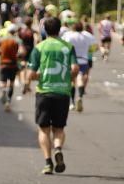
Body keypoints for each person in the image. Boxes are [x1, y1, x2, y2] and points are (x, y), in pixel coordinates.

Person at [28, 17, 79, 175]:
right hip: (63, 93)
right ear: (59, 29)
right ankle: (57, 148)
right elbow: (75, 69)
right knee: (59, 128)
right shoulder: (68, 47)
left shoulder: (39, 47)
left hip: (44, 92)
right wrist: (67, 78)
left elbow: (31, 74)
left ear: (45, 30)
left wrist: (37, 77)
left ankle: (48, 163)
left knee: (44, 129)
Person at [61, 16, 97, 113]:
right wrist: (88, 51)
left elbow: (63, 46)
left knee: (72, 81)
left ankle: (72, 102)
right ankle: (80, 96)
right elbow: (95, 47)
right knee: (80, 78)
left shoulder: (68, 35)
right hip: (84, 60)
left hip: (72, 61)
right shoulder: (87, 35)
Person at [0, 23, 20, 111]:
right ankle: (8, 102)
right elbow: (21, 52)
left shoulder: (2, 40)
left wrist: (0, 53)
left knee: (3, 82)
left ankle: (3, 91)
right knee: (11, 84)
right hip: (13, 64)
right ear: (15, 32)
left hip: (3, 64)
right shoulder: (16, 41)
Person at [18, 17, 35, 94]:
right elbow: (37, 41)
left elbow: (19, 38)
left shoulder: (22, 31)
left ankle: (23, 82)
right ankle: (28, 85)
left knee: (22, 67)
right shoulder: (32, 32)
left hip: (23, 50)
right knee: (29, 68)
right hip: (31, 51)